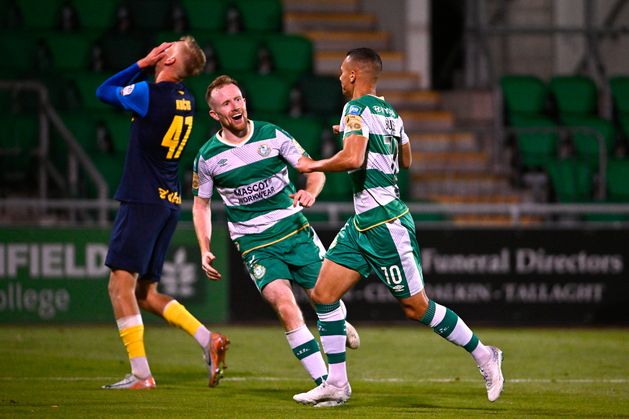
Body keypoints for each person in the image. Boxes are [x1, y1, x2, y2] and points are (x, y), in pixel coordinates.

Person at [293, 48, 504, 407]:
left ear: (356, 75)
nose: (341, 78)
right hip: (363, 223)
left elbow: (353, 158)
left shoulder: (355, 108)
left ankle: (486, 355)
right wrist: (362, 137)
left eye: (344, 72)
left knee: (417, 307)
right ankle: (337, 384)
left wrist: (313, 165)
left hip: (387, 224)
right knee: (323, 294)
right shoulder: (390, 112)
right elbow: (406, 159)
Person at [191, 75, 360, 394]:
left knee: (324, 299)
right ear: (215, 115)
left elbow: (314, 169)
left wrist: (311, 192)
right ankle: (327, 383)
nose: (236, 106)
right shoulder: (208, 157)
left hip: (295, 233)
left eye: (238, 98)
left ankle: (336, 321)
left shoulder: (273, 134)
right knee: (284, 305)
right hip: (256, 245)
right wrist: (204, 247)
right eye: (226, 103)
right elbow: (201, 206)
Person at [96, 36, 229, 390]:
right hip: (169, 200)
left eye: (168, 47)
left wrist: (140, 62)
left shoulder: (147, 94)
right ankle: (208, 340)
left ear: (168, 60)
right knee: (145, 294)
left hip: (142, 200)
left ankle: (141, 374)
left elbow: (104, 90)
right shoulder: (185, 99)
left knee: (119, 287)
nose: (162, 46)